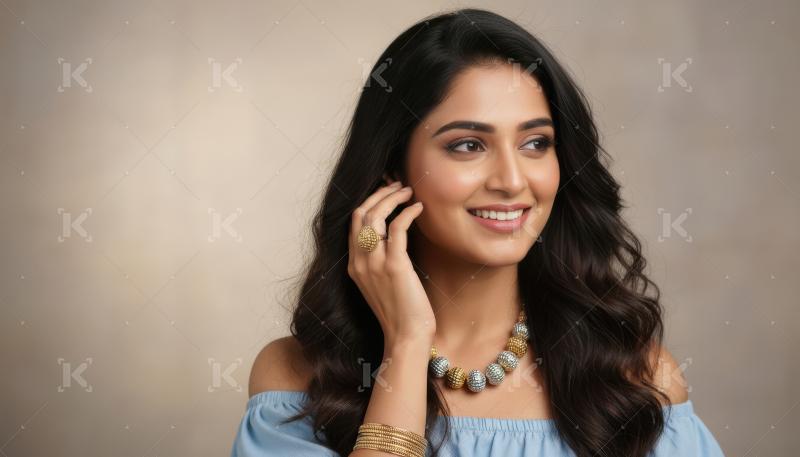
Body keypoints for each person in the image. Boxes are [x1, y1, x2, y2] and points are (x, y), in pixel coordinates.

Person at [230, 7, 726, 457]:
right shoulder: (297, 379)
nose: (512, 181)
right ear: (391, 170)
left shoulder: (636, 380)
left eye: (535, 143)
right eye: (468, 145)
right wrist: (405, 344)